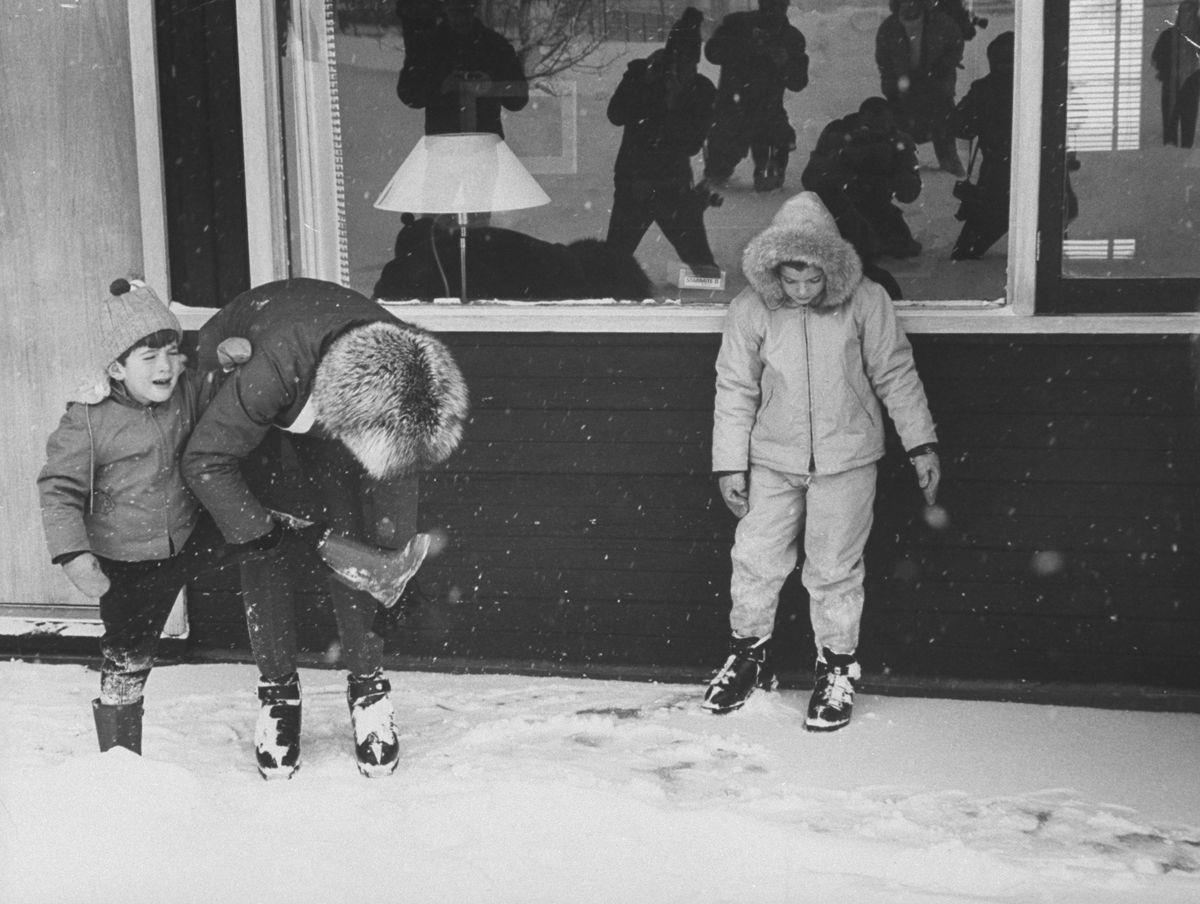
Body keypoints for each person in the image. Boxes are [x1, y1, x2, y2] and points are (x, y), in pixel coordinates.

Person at [181, 278, 468, 780]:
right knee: (262, 543)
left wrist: (389, 569)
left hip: (327, 384)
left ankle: (369, 685)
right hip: (255, 380)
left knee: (360, 543)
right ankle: (277, 693)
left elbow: (394, 499)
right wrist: (261, 530)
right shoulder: (269, 370)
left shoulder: (410, 387)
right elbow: (205, 460)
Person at [704, 192, 940, 731]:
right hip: (772, 459)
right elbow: (735, 388)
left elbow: (895, 373)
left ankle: (835, 670)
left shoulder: (866, 301)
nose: (803, 291)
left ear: (830, 267)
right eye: (791, 280)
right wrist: (729, 465)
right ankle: (748, 657)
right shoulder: (751, 309)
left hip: (847, 458)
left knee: (833, 571)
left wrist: (921, 445)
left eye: (813, 280)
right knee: (756, 559)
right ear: (774, 270)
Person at [37, 279, 244, 756]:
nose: (166, 366)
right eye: (148, 357)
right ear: (116, 367)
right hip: (126, 559)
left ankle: (367, 566)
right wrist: (73, 554)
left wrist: (230, 362)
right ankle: (120, 756)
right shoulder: (88, 419)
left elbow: (214, 382)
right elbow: (58, 487)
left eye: (171, 352)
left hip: (189, 535)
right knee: (128, 654)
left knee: (265, 529)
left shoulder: (186, 390)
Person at [605, 7, 721, 279]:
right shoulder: (643, 77)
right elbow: (616, 114)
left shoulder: (700, 91)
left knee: (705, 272)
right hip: (635, 183)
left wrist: (674, 104)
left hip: (672, 186)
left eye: (688, 64)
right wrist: (641, 81)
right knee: (611, 265)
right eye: (675, 61)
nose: (681, 70)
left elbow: (692, 144)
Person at [703, 0, 809, 192]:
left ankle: (768, 167)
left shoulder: (792, 38)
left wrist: (786, 63)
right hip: (733, 109)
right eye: (770, 5)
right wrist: (749, 47)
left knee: (774, 163)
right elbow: (712, 52)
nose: (774, 11)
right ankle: (718, 158)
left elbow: (798, 83)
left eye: (779, 5)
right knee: (717, 173)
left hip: (768, 111)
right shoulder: (736, 25)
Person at [801, 96, 923, 260]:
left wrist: (891, 172)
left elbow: (909, 194)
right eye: (871, 125)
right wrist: (844, 159)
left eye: (882, 125)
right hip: (838, 209)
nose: (876, 131)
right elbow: (811, 179)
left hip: (877, 207)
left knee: (899, 245)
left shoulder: (897, 142)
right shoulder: (839, 134)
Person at [396, 0, 528, 138]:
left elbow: (519, 99)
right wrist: (442, 87)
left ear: (474, 9)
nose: (461, 18)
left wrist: (491, 86)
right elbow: (408, 93)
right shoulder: (428, 46)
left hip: (485, 144)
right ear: (445, 10)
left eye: (466, 11)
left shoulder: (496, 46)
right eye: (455, 11)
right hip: (443, 145)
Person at [875, 0, 965, 176]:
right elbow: (883, 61)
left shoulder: (942, 23)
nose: (910, 4)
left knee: (943, 125)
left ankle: (950, 166)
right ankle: (902, 168)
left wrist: (943, 66)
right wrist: (891, 89)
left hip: (937, 87)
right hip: (903, 89)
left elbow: (956, 45)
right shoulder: (889, 28)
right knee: (900, 128)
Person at [951, 31, 1014, 260]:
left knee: (967, 251)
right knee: (1050, 251)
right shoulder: (1039, 86)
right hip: (1019, 171)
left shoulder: (985, 89)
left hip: (998, 172)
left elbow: (961, 128)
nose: (1006, 67)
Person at [1152, 1, 1200, 148]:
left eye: (1191, 13)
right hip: (1173, 87)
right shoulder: (1168, 35)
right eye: (1185, 12)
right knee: (1171, 124)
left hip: (1190, 87)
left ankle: (1180, 154)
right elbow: (1155, 58)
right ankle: (1171, 157)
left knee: (1187, 124)